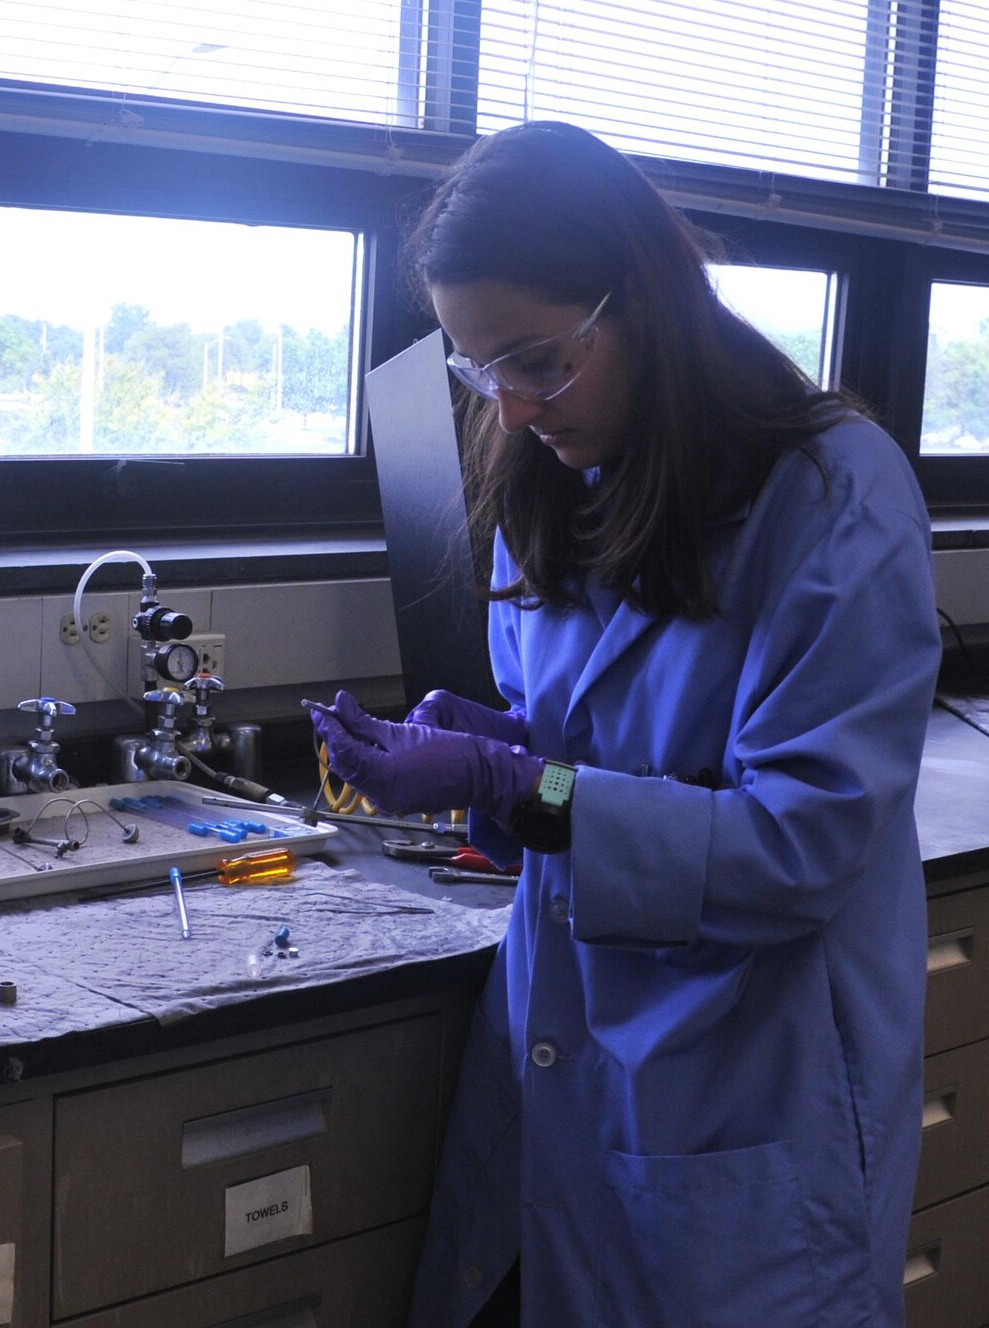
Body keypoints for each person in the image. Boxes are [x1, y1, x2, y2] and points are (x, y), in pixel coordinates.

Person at [310, 121, 942, 1328]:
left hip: (739, 1099)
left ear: (642, 299)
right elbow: (586, 762)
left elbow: (794, 846)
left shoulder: (830, 497)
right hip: (559, 1069)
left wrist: (517, 783)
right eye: (476, 366)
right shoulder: (546, 480)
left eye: (536, 357)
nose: (508, 400)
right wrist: (489, 753)